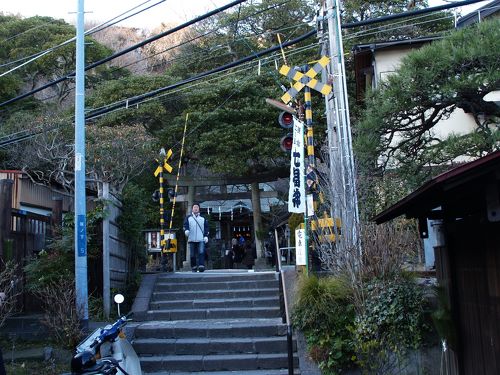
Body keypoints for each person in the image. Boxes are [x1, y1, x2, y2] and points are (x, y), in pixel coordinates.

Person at [183, 203, 209, 272]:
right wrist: (186, 230)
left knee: (201, 252)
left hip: (201, 238)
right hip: (192, 238)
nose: (195, 208)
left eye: (197, 207)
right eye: (194, 207)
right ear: (192, 209)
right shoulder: (188, 218)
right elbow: (186, 225)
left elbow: (206, 228)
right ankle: (194, 266)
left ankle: (201, 266)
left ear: (199, 209)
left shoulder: (203, 218)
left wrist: (206, 236)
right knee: (192, 254)